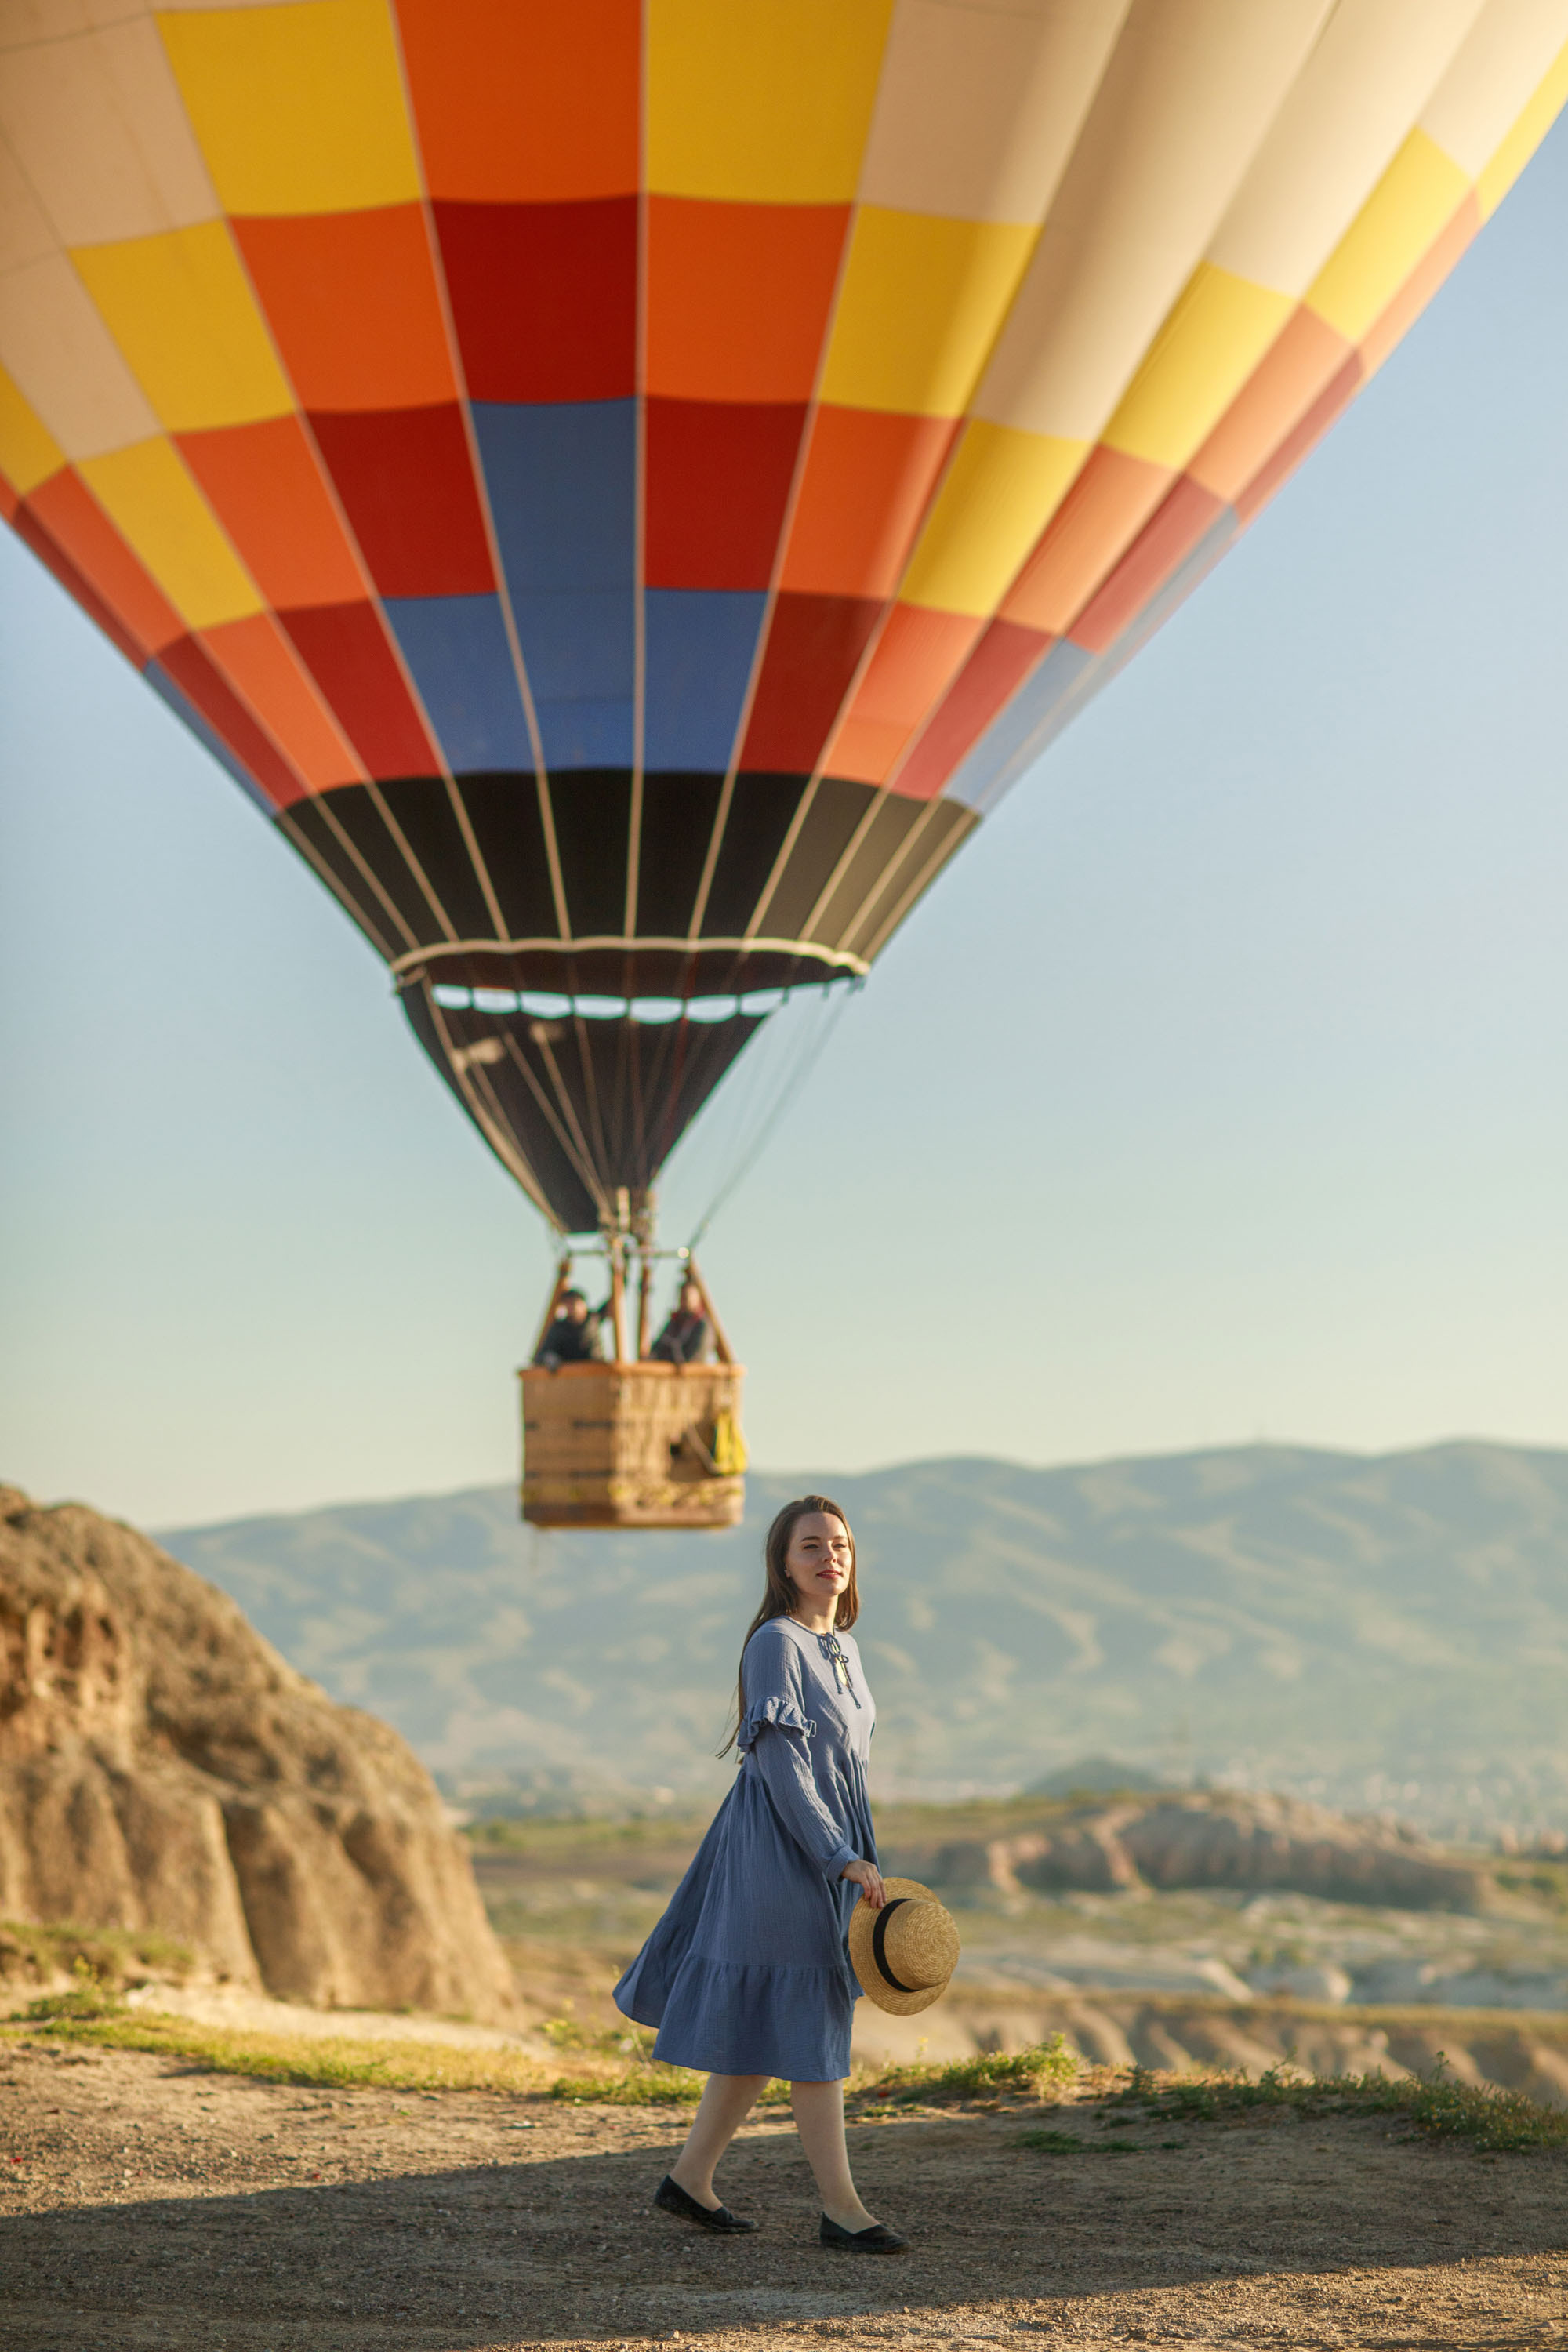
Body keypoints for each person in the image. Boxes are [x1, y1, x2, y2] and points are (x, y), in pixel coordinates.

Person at [613, 1495, 908, 2254]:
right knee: (810, 2017)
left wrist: (847, 1843)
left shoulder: (841, 1645)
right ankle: (842, 2209)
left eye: (839, 1544)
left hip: (825, 1836)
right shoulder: (776, 1642)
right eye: (809, 1546)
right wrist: (835, 1854)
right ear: (782, 1564)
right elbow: (780, 1764)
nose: (828, 1557)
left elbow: (841, 1760)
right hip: (782, 1846)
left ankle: (689, 2179)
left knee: (770, 2021)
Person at [532, 1287, 609, 1368]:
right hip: (569, 1373)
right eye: (567, 1304)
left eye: (573, 1303)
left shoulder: (594, 1319)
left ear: (583, 1305)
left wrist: (621, 1279)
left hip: (595, 1369)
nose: (570, 1308)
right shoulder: (559, 1328)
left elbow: (612, 1303)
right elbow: (542, 1354)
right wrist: (548, 1358)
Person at [649, 1277, 711, 1364]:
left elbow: (692, 1356)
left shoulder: (702, 1325)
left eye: (687, 1297)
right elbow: (657, 1348)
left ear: (698, 1298)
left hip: (691, 1374)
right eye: (682, 1296)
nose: (684, 1301)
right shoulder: (675, 1322)